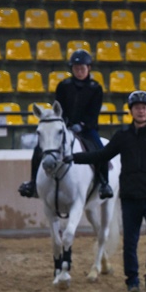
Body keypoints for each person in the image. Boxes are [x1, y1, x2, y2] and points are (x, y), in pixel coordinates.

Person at [66, 91, 146, 292]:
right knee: (130, 239)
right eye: (137, 107)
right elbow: (101, 155)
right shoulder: (122, 136)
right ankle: (132, 279)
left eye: (144, 108)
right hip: (129, 197)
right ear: (131, 111)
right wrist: (73, 158)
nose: (141, 111)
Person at [18, 49, 113, 199]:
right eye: (76, 69)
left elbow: (93, 113)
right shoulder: (63, 85)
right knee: (38, 149)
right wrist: (65, 123)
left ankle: (104, 183)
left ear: (88, 68)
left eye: (82, 68)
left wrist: (82, 125)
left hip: (87, 128)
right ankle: (32, 183)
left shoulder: (96, 88)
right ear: (72, 69)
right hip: (65, 126)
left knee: (100, 149)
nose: (79, 71)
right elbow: (59, 109)